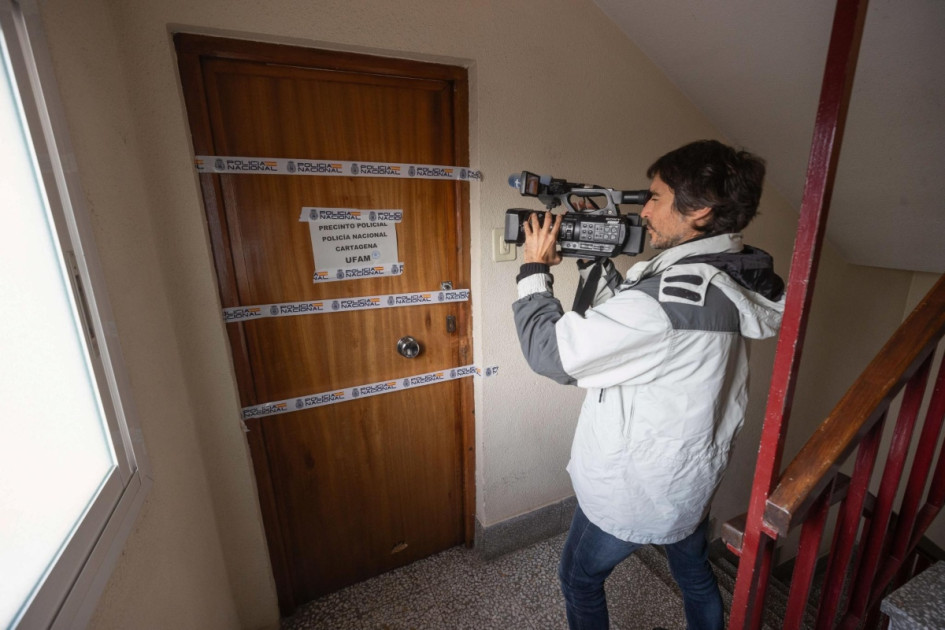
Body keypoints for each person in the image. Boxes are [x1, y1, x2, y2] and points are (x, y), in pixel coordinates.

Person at [512, 140, 785, 630]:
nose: (645, 210)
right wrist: (593, 258)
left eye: (655, 197)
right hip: (688, 477)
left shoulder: (664, 301)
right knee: (695, 573)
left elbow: (549, 354)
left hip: (636, 484)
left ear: (699, 209)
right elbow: (652, 332)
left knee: (578, 579)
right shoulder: (728, 274)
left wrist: (534, 271)